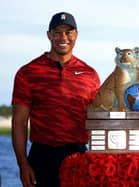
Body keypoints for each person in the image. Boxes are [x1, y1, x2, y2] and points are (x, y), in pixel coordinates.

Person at [11, 12, 100, 187]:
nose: (63, 37)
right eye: (57, 32)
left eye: (68, 32)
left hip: (79, 158)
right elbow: (19, 123)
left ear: (76, 35)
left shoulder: (90, 74)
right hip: (42, 158)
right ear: (49, 35)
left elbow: (99, 118)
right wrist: (23, 164)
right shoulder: (28, 72)